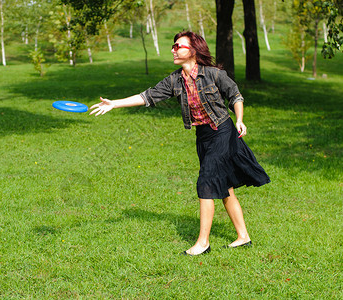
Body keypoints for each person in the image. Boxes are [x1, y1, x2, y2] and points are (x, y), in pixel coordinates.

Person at [89, 31, 270, 256]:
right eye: (173, 46)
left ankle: (203, 243)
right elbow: (148, 96)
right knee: (224, 187)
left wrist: (240, 120)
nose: (174, 49)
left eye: (178, 46)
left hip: (223, 131)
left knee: (206, 181)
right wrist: (114, 104)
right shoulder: (175, 80)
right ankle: (243, 237)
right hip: (203, 137)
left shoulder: (214, 74)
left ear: (193, 50)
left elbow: (235, 95)